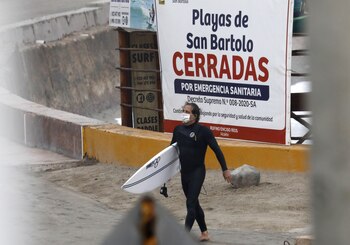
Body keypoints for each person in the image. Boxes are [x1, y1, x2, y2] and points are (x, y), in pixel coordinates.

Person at [170, 102, 232, 242]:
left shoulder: (203, 131)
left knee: (190, 204)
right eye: (183, 110)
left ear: (195, 115)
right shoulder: (177, 130)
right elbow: (171, 151)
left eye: (187, 111)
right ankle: (204, 233)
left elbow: (217, 150)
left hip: (197, 172)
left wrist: (225, 169)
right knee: (194, 203)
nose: (184, 113)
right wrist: (165, 174)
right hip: (184, 172)